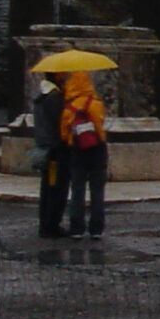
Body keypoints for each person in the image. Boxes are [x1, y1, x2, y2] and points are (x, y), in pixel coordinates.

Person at [58, 70, 109, 239]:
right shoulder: (96, 103)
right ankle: (96, 228)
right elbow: (100, 123)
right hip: (97, 149)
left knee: (77, 189)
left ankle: (76, 228)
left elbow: (64, 134)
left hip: (77, 151)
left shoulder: (68, 108)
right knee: (97, 190)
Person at [30, 74, 69, 239]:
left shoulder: (42, 97)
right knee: (56, 188)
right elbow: (61, 123)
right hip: (56, 151)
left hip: (45, 148)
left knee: (47, 187)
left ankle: (46, 223)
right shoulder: (55, 98)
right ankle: (51, 225)